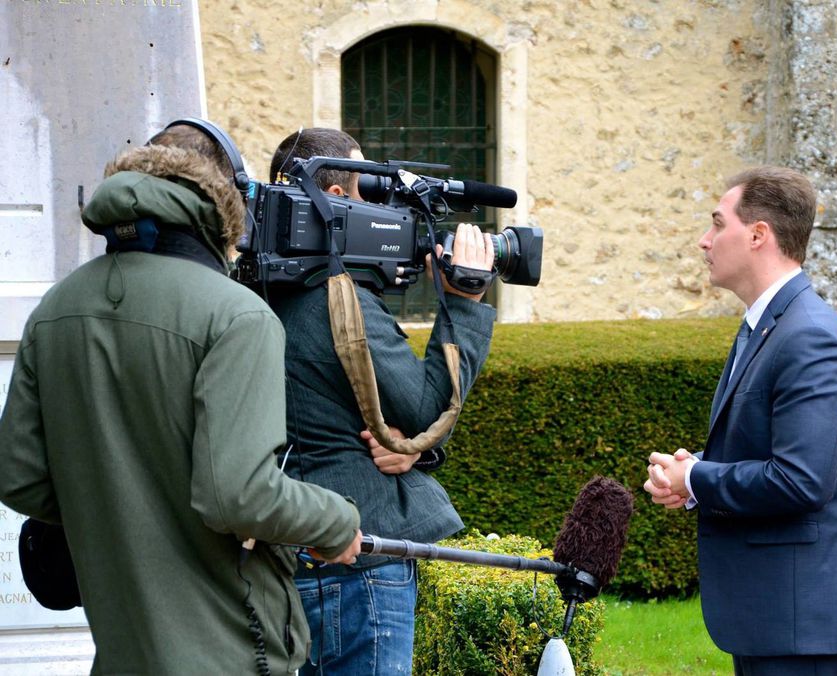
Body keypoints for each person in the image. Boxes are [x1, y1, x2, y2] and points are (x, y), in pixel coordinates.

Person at [0, 120, 363, 675]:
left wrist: (119, 506)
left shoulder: (55, 310)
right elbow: (236, 495)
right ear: (227, 203)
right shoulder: (236, 315)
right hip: (226, 655)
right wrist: (336, 520)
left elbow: (19, 478)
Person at [265, 128, 497, 675]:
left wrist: (416, 451)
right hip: (357, 561)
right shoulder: (337, 298)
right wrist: (463, 300)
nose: (380, 203)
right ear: (337, 199)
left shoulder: (256, 290)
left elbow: (365, 417)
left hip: (287, 547)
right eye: (368, 186)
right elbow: (424, 410)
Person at [644, 166, 837, 675]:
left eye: (717, 224)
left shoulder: (808, 335)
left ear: (758, 235)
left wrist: (697, 478)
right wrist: (696, 477)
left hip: (802, 624)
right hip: (777, 616)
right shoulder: (767, 324)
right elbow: (772, 453)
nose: (704, 241)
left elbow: (801, 480)